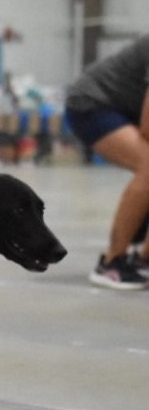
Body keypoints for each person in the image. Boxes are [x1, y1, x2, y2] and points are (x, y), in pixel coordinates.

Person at [64, 34, 149, 290]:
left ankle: (144, 260)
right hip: (92, 104)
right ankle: (112, 262)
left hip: (124, 109)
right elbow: (147, 128)